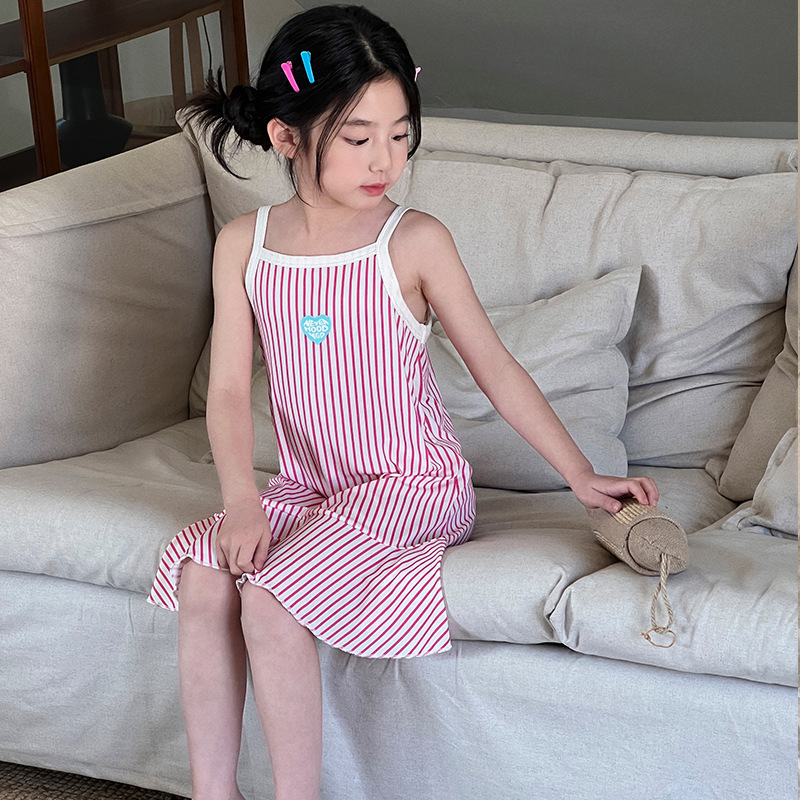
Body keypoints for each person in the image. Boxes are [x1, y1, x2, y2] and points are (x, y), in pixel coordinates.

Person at [146, 5, 660, 799]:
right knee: (204, 575)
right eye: (358, 138)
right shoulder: (245, 244)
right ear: (287, 137)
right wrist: (241, 499)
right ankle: (215, 793)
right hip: (309, 489)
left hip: (411, 486)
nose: (385, 159)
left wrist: (581, 475)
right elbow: (228, 390)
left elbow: (496, 369)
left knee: (272, 599)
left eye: (399, 134)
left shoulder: (414, 242)